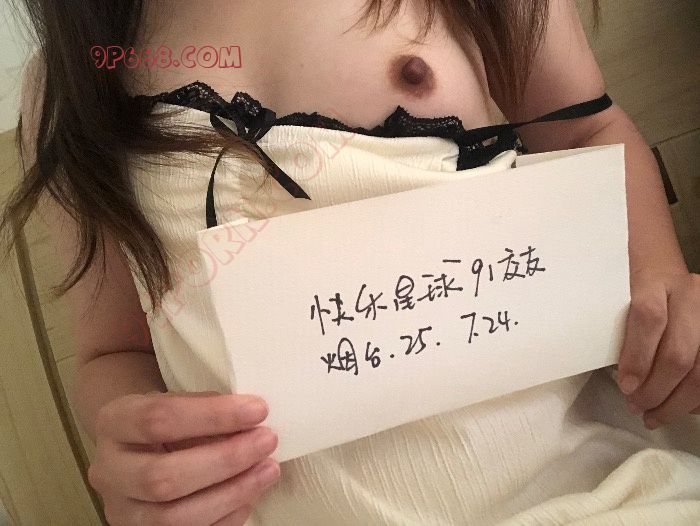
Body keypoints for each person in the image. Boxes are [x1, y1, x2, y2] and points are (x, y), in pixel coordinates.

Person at [2, 0, 698, 524]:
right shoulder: (77, 80)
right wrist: (137, 444)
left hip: (591, 493)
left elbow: (585, 129)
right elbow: (113, 350)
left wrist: (664, 290)